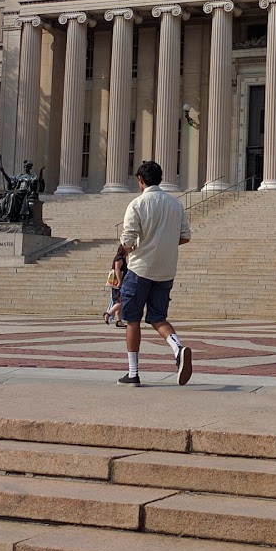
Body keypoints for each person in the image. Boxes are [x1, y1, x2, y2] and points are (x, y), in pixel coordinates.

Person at [117, 160, 192, 386]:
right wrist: (165, 244)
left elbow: (127, 240)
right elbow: (185, 236)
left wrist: (137, 247)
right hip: (166, 270)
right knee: (158, 317)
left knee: (132, 319)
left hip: (140, 269)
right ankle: (178, 348)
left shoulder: (137, 204)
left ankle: (133, 372)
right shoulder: (176, 204)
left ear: (140, 180)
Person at [104, 245, 127, 326]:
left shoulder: (121, 258)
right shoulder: (119, 258)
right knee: (122, 302)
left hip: (118, 283)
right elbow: (117, 270)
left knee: (119, 302)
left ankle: (119, 320)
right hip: (118, 283)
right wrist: (120, 281)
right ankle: (108, 314)